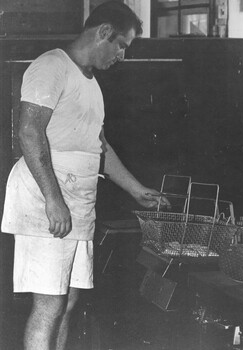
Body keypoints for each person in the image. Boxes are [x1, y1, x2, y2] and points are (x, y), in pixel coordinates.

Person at [1, 2, 168, 350]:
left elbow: (99, 147)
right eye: (122, 45)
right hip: (46, 204)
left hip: (77, 205)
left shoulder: (90, 83)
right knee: (49, 304)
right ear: (103, 32)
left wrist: (136, 189)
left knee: (68, 303)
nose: (122, 55)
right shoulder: (52, 66)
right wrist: (52, 200)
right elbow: (29, 133)